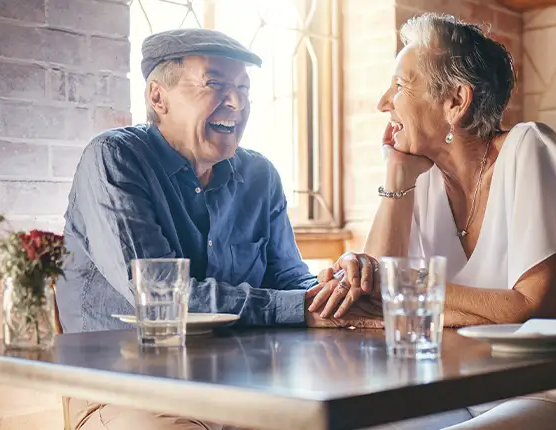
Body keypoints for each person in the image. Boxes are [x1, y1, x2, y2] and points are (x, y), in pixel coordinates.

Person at [308, 13, 556, 430]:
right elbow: (373, 298)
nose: (384, 102)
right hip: (462, 389)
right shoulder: (419, 177)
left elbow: (532, 310)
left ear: (456, 101)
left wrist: (409, 293)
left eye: (401, 85)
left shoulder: (527, 148)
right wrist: (396, 179)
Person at [57, 28, 381, 430]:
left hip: (244, 384)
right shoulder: (114, 159)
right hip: (128, 389)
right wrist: (301, 307)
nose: (238, 102)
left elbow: (289, 278)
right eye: (216, 84)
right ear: (158, 97)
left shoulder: (259, 175)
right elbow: (162, 300)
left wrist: (335, 289)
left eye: (244, 88)